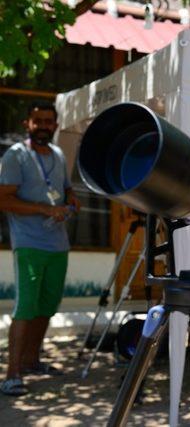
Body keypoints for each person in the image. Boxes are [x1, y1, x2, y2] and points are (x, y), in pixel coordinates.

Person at [0, 102, 81, 396]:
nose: (44, 126)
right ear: (28, 124)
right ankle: (11, 375)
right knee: (26, 308)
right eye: (39, 121)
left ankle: (32, 361)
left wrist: (71, 202)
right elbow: (3, 200)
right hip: (29, 244)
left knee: (47, 307)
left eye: (49, 121)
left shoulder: (58, 154)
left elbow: (66, 188)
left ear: (56, 126)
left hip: (58, 244)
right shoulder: (16, 155)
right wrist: (44, 210)